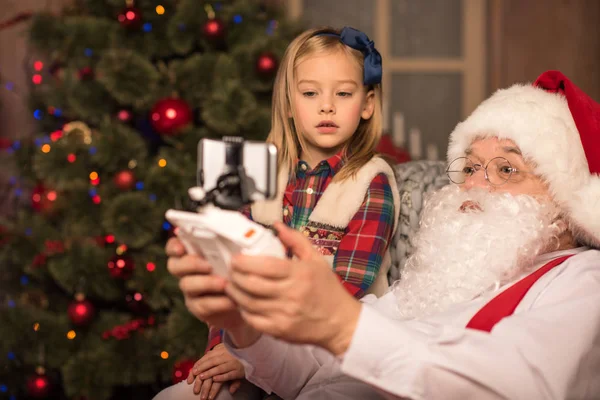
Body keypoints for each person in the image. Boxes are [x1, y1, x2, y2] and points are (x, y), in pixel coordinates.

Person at [167, 70, 600, 399]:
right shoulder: (446, 276)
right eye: (469, 167)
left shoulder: (583, 281)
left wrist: (342, 325)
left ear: (566, 204)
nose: (475, 185)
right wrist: (242, 323)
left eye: (507, 169)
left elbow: (516, 384)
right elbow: (308, 368)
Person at [154, 26, 399, 400]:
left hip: (332, 352)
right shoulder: (262, 176)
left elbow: (344, 293)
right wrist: (227, 345)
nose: (326, 106)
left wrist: (254, 355)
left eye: (344, 93)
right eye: (310, 92)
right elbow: (230, 273)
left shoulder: (372, 182)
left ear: (367, 104)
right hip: (253, 340)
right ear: (288, 103)